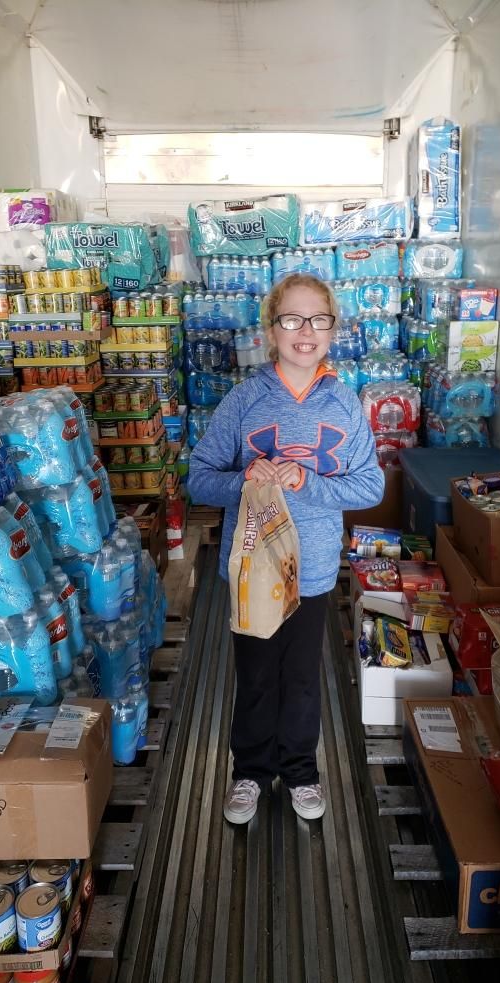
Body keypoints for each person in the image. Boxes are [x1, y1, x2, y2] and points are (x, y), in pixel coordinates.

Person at [188, 274, 384, 825]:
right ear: (271, 330)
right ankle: (249, 773)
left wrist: (305, 482)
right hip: (253, 565)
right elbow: (199, 478)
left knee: (301, 677)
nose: (306, 331)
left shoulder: (345, 404)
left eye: (318, 319)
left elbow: (370, 487)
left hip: (314, 568)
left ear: (333, 329)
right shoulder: (244, 400)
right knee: (255, 675)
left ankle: (300, 771)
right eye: (292, 319)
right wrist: (245, 479)